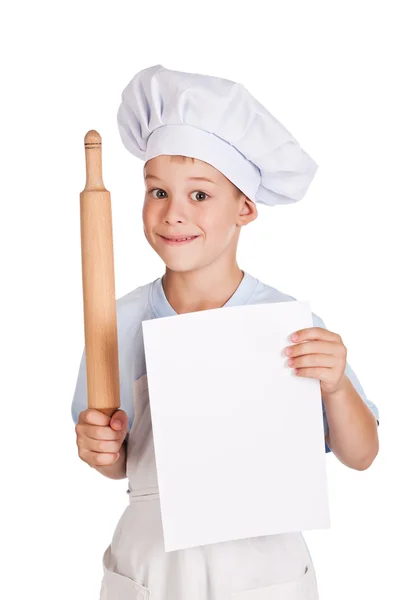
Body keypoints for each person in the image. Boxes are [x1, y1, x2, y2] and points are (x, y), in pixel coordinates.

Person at [72, 64, 379, 599]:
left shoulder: (289, 323)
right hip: (153, 566)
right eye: (157, 191)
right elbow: (115, 460)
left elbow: (361, 454)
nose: (172, 215)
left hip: (263, 571)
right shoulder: (113, 322)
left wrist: (334, 386)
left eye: (199, 195)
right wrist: (100, 448)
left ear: (245, 208)